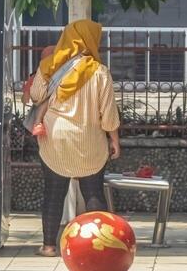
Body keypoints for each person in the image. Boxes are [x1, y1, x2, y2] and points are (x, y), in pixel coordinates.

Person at [26, 20, 121, 257]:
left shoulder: (50, 65)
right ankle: (97, 248)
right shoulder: (100, 72)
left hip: (55, 138)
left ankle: (48, 246)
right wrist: (114, 140)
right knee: (93, 192)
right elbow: (108, 115)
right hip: (89, 140)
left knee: (53, 192)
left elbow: (36, 95)